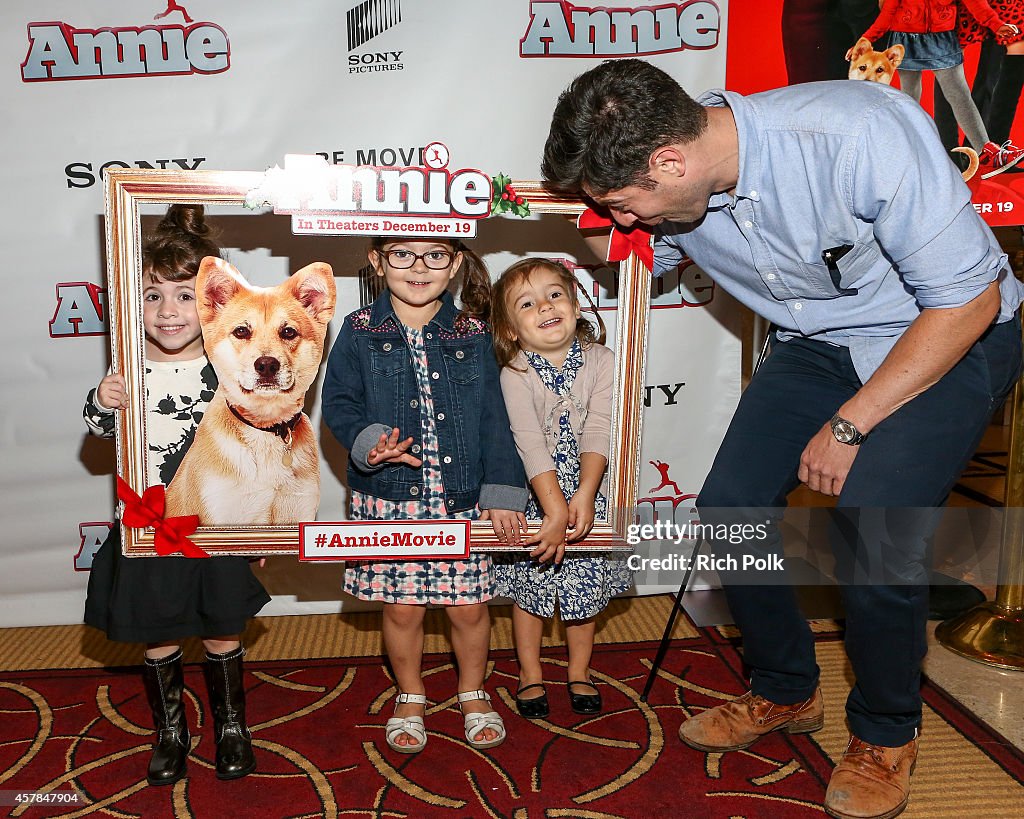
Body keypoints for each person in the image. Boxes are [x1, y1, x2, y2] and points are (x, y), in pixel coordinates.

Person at [541, 59, 1023, 819]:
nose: (626, 219)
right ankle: (785, 689)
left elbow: (968, 297)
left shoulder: (857, 133)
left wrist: (851, 423)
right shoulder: (679, 183)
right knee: (732, 509)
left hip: (947, 331)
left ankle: (885, 731)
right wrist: (617, 237)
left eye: (627, 204)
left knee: (874, 527)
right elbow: (647, 251)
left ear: (670, 161)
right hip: (819, 342)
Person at [84, 204, 269, 785]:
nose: (168, 311)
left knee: (221, 628)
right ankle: (171, 732)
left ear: (212, 301)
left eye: (184, 295)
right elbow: (96, 426)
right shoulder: (127, 369)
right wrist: (103, 400)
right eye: (151, 296)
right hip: (148, 522)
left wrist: (261, 526)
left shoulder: (230, 367)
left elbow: (257, 452)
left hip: (216, 525)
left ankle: (232, 727)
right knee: (158, 631)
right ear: (129, 304)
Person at [321, 237, 528, 754]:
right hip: (389, 497)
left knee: (470, 609)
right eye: (403, 254)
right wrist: (370, 444)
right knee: (403, 609)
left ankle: (472, 692)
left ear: (455, 263)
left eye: (435, 255)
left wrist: (503, 491)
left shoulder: (473, 332)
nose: (419, 267)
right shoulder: (360, 329)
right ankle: (410, 694)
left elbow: (496, 421)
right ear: (377, 261)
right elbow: (339, 403)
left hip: (462, 498)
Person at [488, 258, 632, 719]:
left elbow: (600, 429)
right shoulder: (514, 373)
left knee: (583, 593)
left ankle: (579, 671)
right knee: (530, 593)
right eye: (527, 304)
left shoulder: (603, 361)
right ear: (511, 329)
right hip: (535, 496)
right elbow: (529, 443)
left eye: (555, 294)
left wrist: (584, 496)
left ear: (574, 302)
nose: (545, 307)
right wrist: (553, 511)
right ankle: (529, 673)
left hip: (587, 492)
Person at [850, 0, 1024, 177]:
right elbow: (887, 15)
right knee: (909, 96)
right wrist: (866, 41)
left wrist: (997, 25)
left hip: (943, 40)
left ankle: (987, 153)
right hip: (907, 40)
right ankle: (908, 156)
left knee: (959, 94)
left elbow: (975, 3)